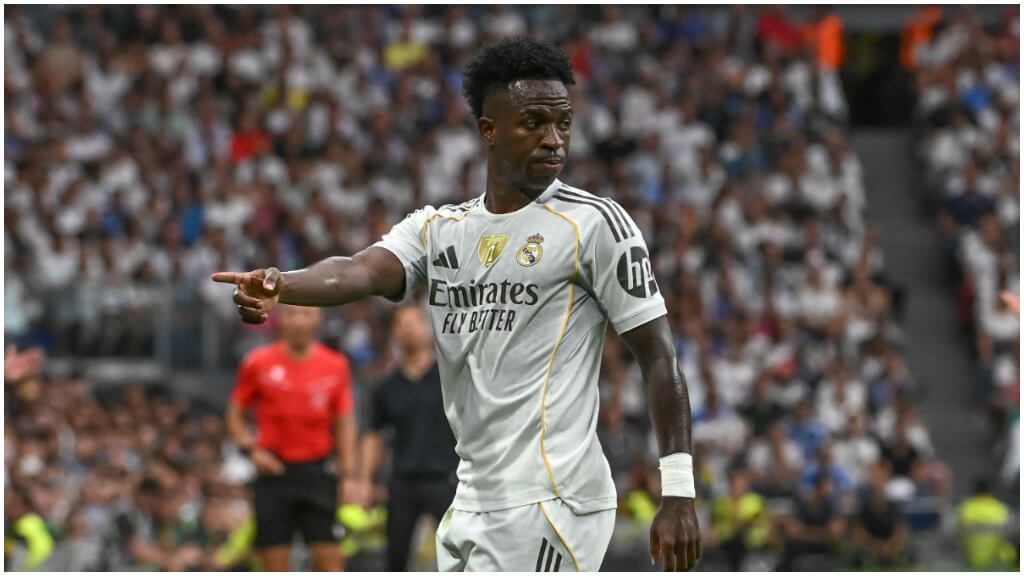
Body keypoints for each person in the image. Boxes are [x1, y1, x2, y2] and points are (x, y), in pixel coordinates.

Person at [213, 36, 701, 571]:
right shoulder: (440, 230)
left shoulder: (594, 225)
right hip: (471, 500)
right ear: (488, 131)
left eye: (563, 122)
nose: (554, 139)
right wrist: (283, 284)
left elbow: (659, 355)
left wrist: (677, 491)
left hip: (554, 499)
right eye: (533, 122)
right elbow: (359, 271)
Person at [226, 304, 357, 571]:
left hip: (318, 473)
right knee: (274, 563)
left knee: (331, 562)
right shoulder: (257, 362)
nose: (298, 321)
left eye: (306, 313)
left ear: (318, 318)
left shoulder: (336, 365)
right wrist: (250, 450)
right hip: (273, 474)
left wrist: (349, 474)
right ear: (280, 319)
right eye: (292, 313)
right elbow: (235, 413)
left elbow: (344, 422)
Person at [358, 304, 458, 571]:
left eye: (414, 322)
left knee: (462, 551)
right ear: (393, 333)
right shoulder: (386, 387)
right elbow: (373, 435)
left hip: (446, 480)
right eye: (400, 324)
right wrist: (365, 481)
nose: (407, 329)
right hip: (403, 482)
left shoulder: (450, 378)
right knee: (396, 557)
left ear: (427, 328)